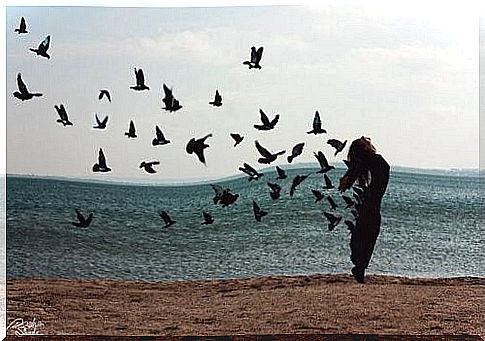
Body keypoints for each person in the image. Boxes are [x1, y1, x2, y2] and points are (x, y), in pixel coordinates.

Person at [338, 137, 390, 283]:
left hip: (370, 201)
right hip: (372, 201)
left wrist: (346, 181)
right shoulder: (374, 160)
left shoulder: (370, 161)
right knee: (368, 234)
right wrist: (347, 180)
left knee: (364, 234)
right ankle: (359, 266)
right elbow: (357, 169)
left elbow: (356, 169)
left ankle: (359, 265)